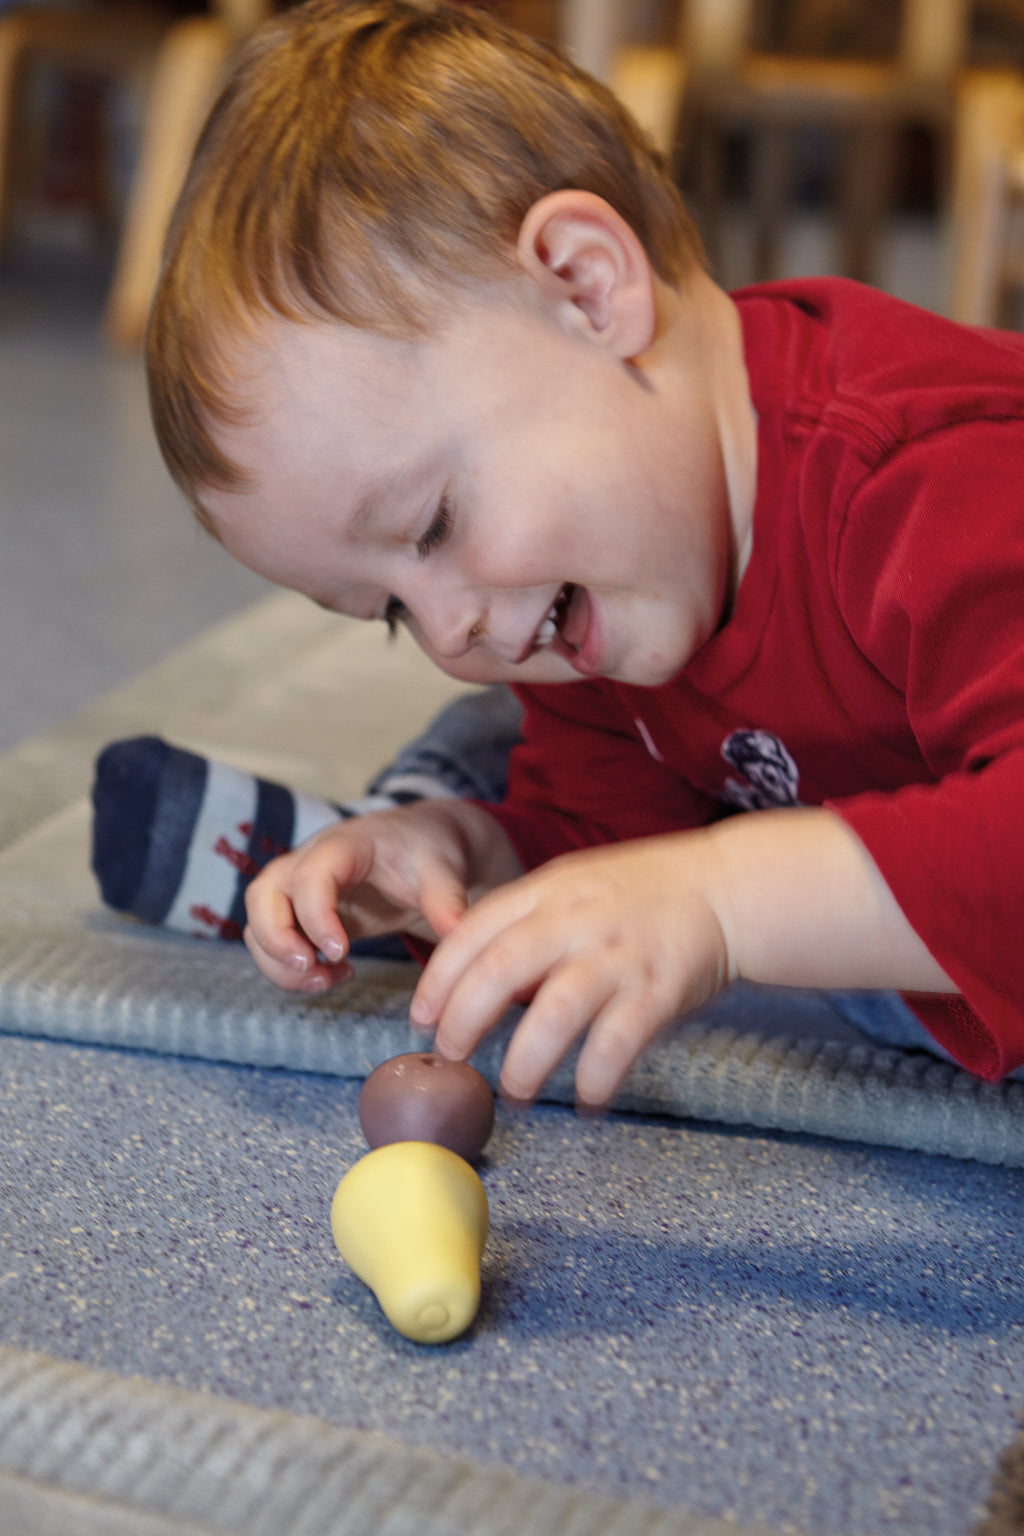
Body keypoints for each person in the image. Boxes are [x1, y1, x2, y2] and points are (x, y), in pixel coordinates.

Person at [140, 0, 1024, 1109]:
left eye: (433, 527)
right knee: (519, 740)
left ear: (586, 286)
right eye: (391, 613)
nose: (449, 627)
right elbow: (610, 850)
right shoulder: (597, 590)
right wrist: (460, 856)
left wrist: (721, 902)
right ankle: (433, 787)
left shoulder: (926, 475)